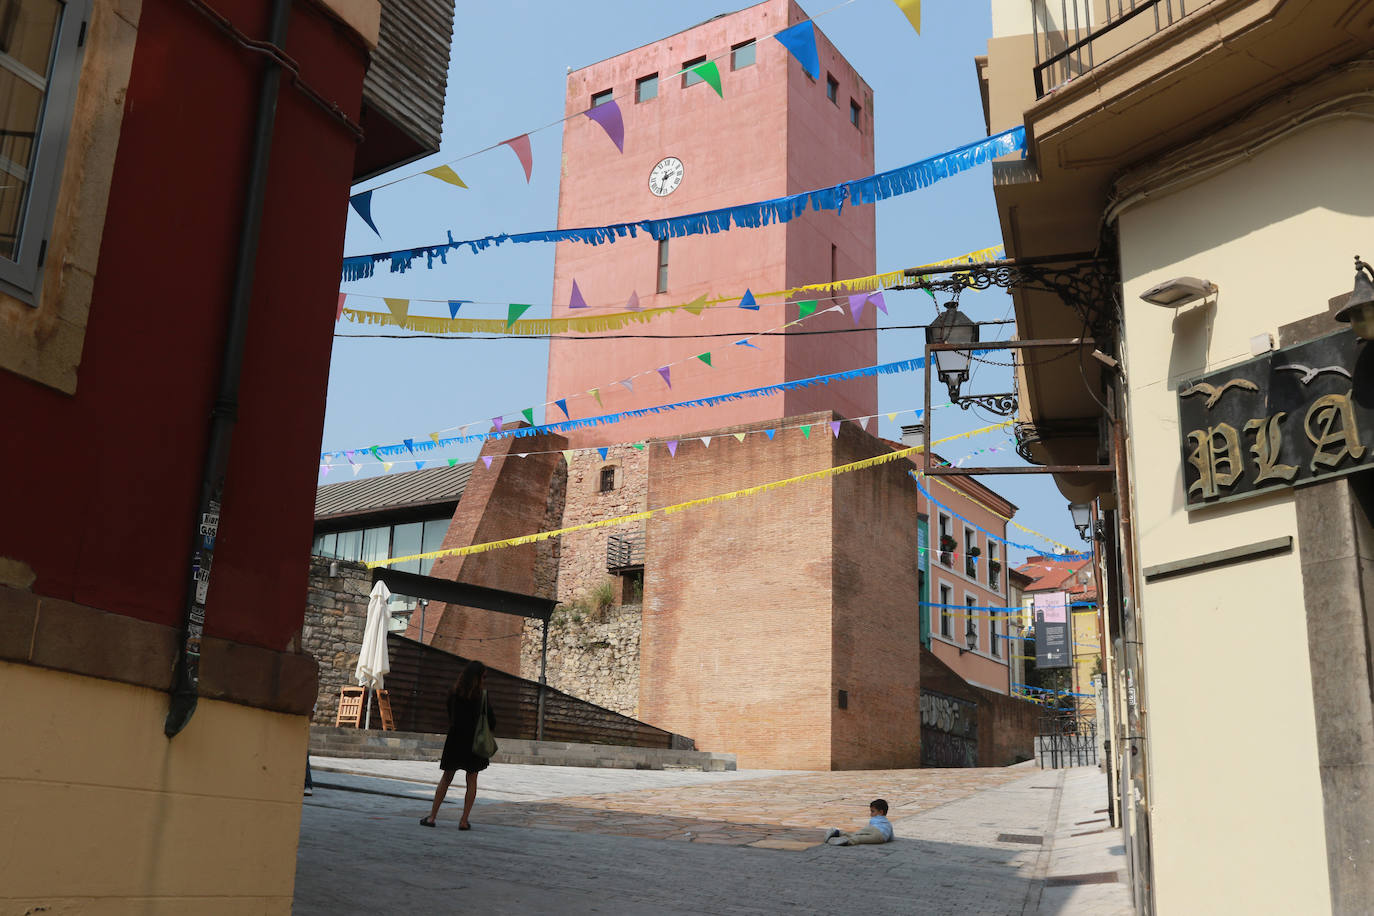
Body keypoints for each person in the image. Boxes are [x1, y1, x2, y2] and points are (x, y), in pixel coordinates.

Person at [420, 660, 496, 829]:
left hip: (455, 739)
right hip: (475, 742)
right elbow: (491, 720)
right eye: (484, 676)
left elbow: (451, 715)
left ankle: (432, 817)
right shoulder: (482, 696)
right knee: (472, 780)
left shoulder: (454, 693)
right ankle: (463, 821)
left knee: (446, 778)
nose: (485, 679)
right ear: (478, 677)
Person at [824, 799, 894, 846]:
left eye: (872, 811)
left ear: (881, 812)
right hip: (880, 837)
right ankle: (846, 840)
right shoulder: (888, 823)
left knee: (857, 834)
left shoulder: (875, 819)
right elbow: (891, 837)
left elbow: (870, 828)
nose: (871, 814)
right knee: (860, 839)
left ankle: (838, 833)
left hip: (874, 830)